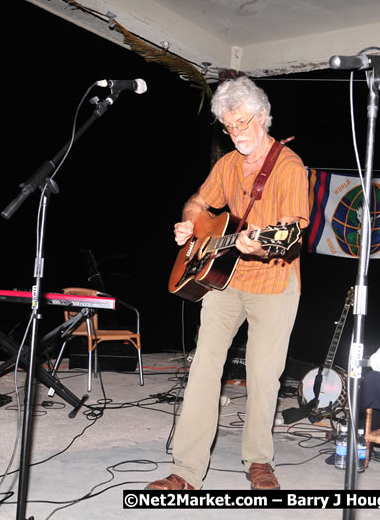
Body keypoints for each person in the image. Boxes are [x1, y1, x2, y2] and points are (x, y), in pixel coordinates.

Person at [146, 76, 309, 491]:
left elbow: (291, 229)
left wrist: (260, 244)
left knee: (262, 373)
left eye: (242, 124)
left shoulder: (290, 166)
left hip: (273, 281)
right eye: (228, 127)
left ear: (263, 118)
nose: (236, 134)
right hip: (225, 278)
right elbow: (200, 202)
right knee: (203, 366)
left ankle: (258, 461)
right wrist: (190, 223)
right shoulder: (227, 165)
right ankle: (186, 469)